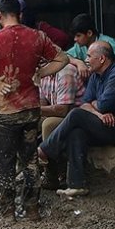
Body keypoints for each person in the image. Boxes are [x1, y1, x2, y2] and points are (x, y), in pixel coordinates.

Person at [0, 0, 69, 221]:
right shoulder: (37, 36)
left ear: (0, 16)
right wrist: (41, 73)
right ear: (19, 15)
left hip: (5, 113)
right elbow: (63, 58)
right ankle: (32, 210)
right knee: (30, 161)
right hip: (31, 110)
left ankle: (8, 213)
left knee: (5, 163)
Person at [38, 41, 115, 197]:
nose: (85, 59)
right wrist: (99, 113)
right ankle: (76, 185)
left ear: (101, 59)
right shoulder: (95, 74)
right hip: (105, 121)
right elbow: (87, 103)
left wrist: (97, 107)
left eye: (89, 56)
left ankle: (45, 149)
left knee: (75, 115)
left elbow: (103, 104)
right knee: (77, 132)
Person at [38, 60, 84, 189]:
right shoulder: (42, 73)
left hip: (75, 116)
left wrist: (33, 109)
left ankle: (52, 175)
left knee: (48, 124)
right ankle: (28, 167)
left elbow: (63, 110)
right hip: (57, 112)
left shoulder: (65, 71)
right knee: (26, 121)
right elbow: (42, 103)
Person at [67, 14, 115, 78]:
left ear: (89, 33)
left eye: (78, 35)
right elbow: (64, 57)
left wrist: (102, 66)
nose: (75, 39)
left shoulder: (108, 42)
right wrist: (78, 63)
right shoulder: (80, 46)